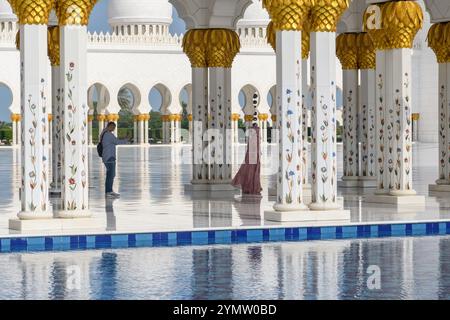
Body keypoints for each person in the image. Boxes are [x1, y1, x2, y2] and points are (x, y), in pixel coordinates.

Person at [231, 121, 262, 195]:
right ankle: (251, 186)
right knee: (252, 169)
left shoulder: (252, 132)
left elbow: (252, 143)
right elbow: (257, 143)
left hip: (252, 153)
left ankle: (248, 186)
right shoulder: (257, 131)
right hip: (254, 153)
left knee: (250, 169)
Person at [101, 122, 120, 198]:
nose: (113, 129)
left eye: (114, 127)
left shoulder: (104, 133)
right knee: (110, 175)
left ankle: (109, 191)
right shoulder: (108, 134)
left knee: (111, 174)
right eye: (112, 127)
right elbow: (117, 142)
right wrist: (126, 139)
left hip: (108, 156)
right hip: (109, 156)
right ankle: (108, 192)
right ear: (109, 126)